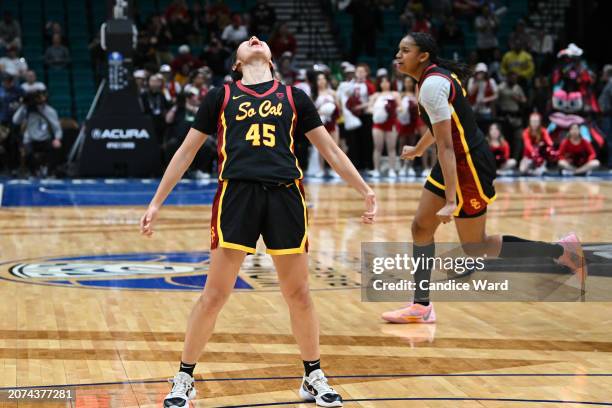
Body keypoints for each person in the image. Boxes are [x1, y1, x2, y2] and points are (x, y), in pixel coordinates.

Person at [141, 36, 376, 408]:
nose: (254, 40)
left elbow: (329, 148)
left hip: (285, 196)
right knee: (214, 294)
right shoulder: (220, 96)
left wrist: (364, 189)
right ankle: (184, 377)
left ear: (270, 59)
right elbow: (185, 152)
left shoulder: (295, 97)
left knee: (298, 294)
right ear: (237, 63)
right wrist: (156, 202)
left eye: (260, 40)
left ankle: (312, 375)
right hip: (237, 195)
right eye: (247, 42)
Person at [381, 32, 586, 324]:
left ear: (423, 56)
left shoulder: (432, 84)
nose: (398, 55)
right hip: (454, 160)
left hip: (469, 166)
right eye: (398, 50)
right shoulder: (432, 79)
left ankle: (562, 251)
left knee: (476, 245)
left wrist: (452, 200)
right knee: (420, 228)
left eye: (405, 50)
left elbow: (448, 146)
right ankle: (421, 305)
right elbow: (445, 129)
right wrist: (418, 148)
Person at [12, 90, 62, 176]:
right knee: (26, 151)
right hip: (30, 139)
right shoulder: (26, 110)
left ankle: (49, 171)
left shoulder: (50, 111)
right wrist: (23, 105)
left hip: (45, 139)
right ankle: (33, 172)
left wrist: (57, 139)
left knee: (56, 148)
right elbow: (15, 121)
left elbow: (57, 129)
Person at [368, 70, 401, 177]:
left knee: (391, 148)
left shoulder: (395, 94)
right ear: (379, 84)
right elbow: (369, 108)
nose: (385, 84)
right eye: (383, 82)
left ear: (390, 83)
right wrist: (378, 111)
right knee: (377, 147)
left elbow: (401, 107)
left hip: (391, 123)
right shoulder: (375, 95)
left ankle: (392, 169)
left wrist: (391, 110)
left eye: (387, 82)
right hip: (378, 124)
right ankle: (376, 169)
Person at [312, 72, 340, 178]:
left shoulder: (333, 93)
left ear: (326, 80)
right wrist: (322, 112)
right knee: (321, 148)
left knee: (334, 147)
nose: (321, 81)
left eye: (323, 79)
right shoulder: (314, 95)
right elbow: (312, 111)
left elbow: (339, 109)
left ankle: (335, 170)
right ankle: (321, 169)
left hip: (333, 123)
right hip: (320, 124)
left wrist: (332, 109)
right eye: (319, 79)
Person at [396, 75, 423, 177]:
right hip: (403, 122)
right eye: (406, 82)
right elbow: (398, 108)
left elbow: (418, 105)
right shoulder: (401, 94)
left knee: (412, 144)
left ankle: (410, 166)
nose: (408, 84)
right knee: (402, 143)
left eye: (410, 82)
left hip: (413, 121)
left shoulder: (415, 94)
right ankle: (402, 166)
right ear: (404, 83)